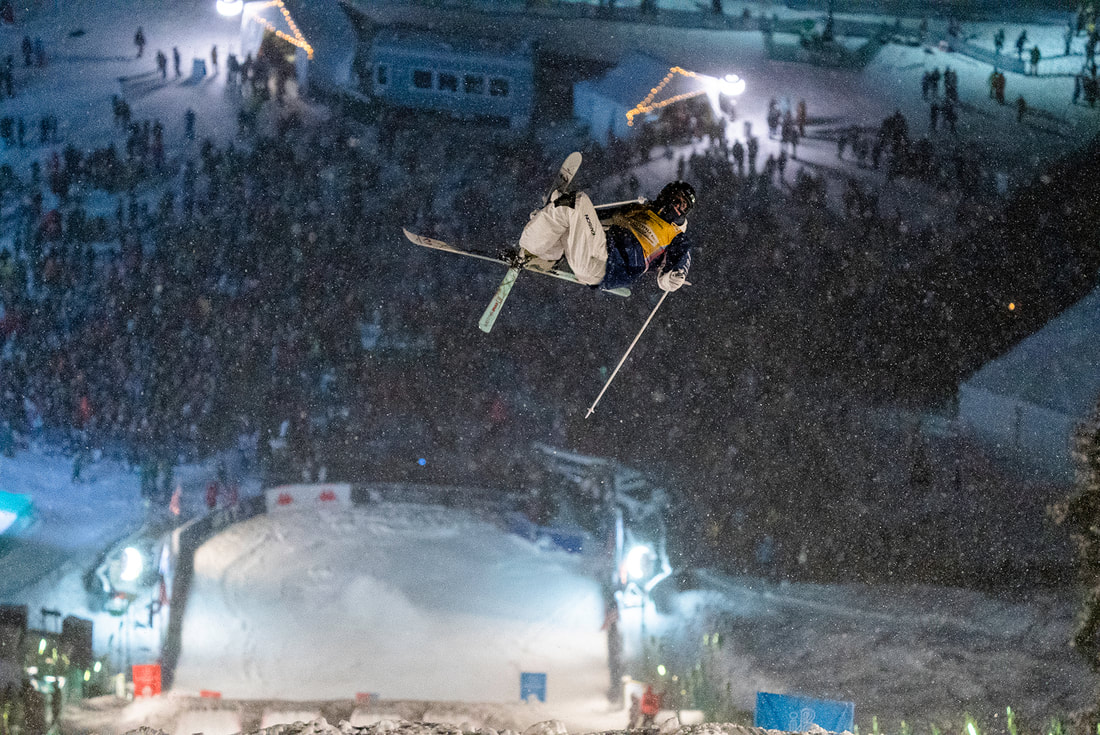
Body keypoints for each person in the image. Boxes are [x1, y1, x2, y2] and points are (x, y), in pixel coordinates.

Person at [518, 180, 695, 293]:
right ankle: (543, 256)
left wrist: (674, 279)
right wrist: (551, 213)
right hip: (596, 254)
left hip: (613, 264)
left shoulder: (677, 235)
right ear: (667, 193)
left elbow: (671, 275)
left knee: (576, 201)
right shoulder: (639, 209)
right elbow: (591, 219)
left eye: (684, 207)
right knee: (569, 213)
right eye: (677, 199)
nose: (678, 207)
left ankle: (531, 249)